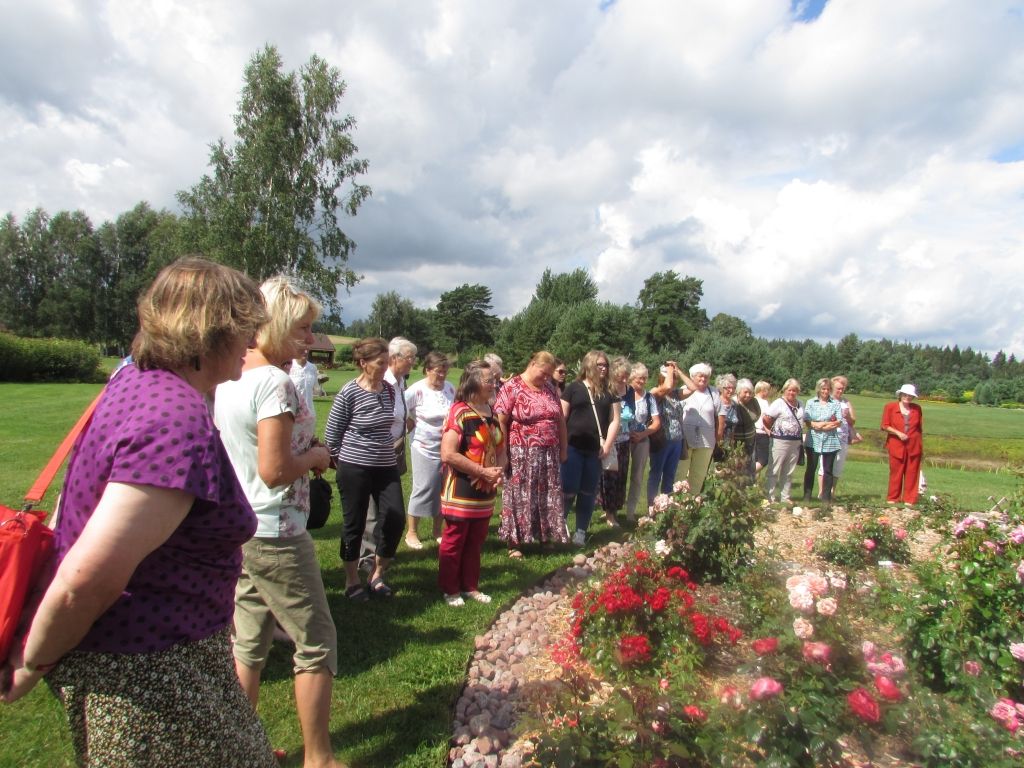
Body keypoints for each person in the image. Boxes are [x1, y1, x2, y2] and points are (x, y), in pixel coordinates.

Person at [0, 257, 278, 767]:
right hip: (149, 674)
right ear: (210, 331)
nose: (252, 344)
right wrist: (30, 660)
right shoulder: (174, 422)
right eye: (246, 329)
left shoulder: (135, 381)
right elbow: (90, 576)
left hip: (159, 658)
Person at [215, 276, 345, 768]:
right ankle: (319, 757)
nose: (310, 340)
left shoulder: (234, 377)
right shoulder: (274, 381)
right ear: (275, 326)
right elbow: (273, 471)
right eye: (303, 329)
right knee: (316, 639)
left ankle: (238, 749)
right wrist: (314, 456)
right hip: (277, 531)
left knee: (248, 643)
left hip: (243, 528)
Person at [325, 337, 406, 599]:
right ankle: (352, 581)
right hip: (354, 467)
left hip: (385, 465)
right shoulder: (349, 392)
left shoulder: (389, 390)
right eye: (380, 363)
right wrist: (343, 462)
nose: (385, 368)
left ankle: (377, 574)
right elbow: (331, 435)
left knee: (394, 517)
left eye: (388, 362)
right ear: (363, 363)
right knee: (354, 524)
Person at [438, 361, 506, 606]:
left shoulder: (492, 411)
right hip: (461, 488)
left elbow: (501, 449)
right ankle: (450, 589)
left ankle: (470, 586)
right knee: (456, 539)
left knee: (476, 541)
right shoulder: (459, 411)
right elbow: (448, 454)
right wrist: (481, 471)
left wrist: (499, 471)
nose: (494, 384)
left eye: (494, 380)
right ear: (474, 383)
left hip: (485, 490)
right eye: (489, 380)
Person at [494, 351, 568, 557]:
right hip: (521, 451)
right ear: (533, 364)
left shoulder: (551, 389)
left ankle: (545, 536)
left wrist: (563, 448)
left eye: (549, 375)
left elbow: (560, 419)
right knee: (520, 494)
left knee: (547, 495)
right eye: (543, 373)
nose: (546, 378)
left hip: (549, 453)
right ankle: (515, 541)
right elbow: (500, 420)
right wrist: (504, 453)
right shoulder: (512, 387)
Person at [561, 350, 621, 546]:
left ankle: (581, 531)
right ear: (589, 365)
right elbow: (562, 418)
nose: (604, 368)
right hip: (573, 447)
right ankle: (560, 526)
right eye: (599, 365)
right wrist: (561, 444)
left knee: (588, 491)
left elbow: (615, 421)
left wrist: (608, 444)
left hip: (595, 450)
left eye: (606, 365)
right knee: (568, 488)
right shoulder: (574, 388)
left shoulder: (610, 391)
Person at [403, 351, 454, 549]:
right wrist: (411, 424)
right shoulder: (416, 391)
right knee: (424, 487)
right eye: (438, 371)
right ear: (427, 370)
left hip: (447, 448)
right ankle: (411, 532)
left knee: (443, 488)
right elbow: (401, 411)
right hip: (424, 447)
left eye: (445, 371)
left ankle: (437, 530)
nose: (442, 375)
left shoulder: (450, 389)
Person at [647, 362, 691, 503]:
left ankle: (666, 507)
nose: (674, 381)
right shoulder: (656, 393)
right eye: (672, 378)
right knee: (656, 474)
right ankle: (652, 506)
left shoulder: (676, 394)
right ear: (662, 378)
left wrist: (678, 370)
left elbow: (693, 387)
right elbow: (666, 386)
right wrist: (670, 369)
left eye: (675, 379)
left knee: (670, 475)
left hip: (676, 441)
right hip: (661, 441)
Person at [677, 363, 721, 493]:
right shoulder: (684, 389)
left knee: (699, 475)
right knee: (680, 472)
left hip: (706, 440)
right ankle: (675, 505)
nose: (703, 379)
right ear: (692, 376)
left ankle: (692, 505)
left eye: (706, 377)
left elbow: (719, 415)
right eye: (700, 376)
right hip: (685, 439)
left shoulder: (713, 392)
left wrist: (718, 437)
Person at [624, 363, 660, 520]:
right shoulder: (623, 393)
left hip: (642, 439)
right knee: (618, 474)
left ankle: (630, 511)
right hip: (622, 438)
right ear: (632, 377)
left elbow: (656, 422)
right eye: (640, 378)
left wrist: (643, 434)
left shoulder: (649, 398)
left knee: (637, 476)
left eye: (645, 378)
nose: (643, 381)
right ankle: (612, 508)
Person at [598, 357, 632, 526]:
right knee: (608, 477)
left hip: (625, 440)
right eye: (621, 376)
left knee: (621, 477)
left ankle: (615, 510)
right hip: (610, 441)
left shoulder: (630, 390)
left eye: (627, 375)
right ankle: (609, 513)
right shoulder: (608, 390)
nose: (624, 379)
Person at [801, 377, 844, 504]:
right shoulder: (811, 402)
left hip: (830, 440)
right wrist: (816, 425)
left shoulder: (835, 403)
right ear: (819, 389)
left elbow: (838, 421)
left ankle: (826, 498)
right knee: (811, 468)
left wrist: (822, 425)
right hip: (813, 440)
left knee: (828, 470)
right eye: (823, 389)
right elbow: (807, 420)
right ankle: (807, 497)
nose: (825, 391)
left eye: (828, 389)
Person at [881, 384, 924, 505]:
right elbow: (884, 425)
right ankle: (893, 498)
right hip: (896, 444)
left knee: (912, 472)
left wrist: (920, 447)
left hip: (913, 445)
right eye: (905, 395)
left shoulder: (917, 409)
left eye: (910, 396)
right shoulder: (890, 407)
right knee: (896, 471)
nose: (907, 397)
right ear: (900, 395)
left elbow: (919, 429)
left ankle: (909, 499)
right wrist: (898, 433)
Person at [762, 379, 804, 504]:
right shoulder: (778, 403)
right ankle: (769, 497)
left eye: (795, 390)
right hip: (780, 440)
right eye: (790, 390)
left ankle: (785, 497)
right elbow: (766, 418)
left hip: (795, 441)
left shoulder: (801, 403)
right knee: (774, 470)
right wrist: (771, 431)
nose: (792, 392)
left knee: (789, 471)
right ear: (785, 390)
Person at [818, 375, 857, 498]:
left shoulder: (846, 402)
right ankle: (822, 492)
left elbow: (853, 421)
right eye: (838, 388)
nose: (840, 391)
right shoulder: (826, 400)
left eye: (842, 389)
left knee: (838, 466)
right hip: (828, 436)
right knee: (824, 466)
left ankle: (831, 492)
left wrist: (847, 416)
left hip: (842, 438)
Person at [732, 378, 761, 476]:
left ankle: (747, 487)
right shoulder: (733, 403)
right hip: (735, 441)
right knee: (736, 466)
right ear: (738, 391)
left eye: (750, 392)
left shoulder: (754, 402)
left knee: (749, 466)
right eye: (745, 392)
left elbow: (757, 414)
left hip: (750, 440)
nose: (748, 395)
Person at [289, 349, 321, 415]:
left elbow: (316, 388)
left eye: (307, 349)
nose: (306, 352)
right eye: (303, 349)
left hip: (309, 413)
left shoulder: (312, 367)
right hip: (292, 413)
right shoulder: (289, 366)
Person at [752, 381, 773, 477]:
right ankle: (749, 473)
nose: (768, 392)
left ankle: (755, 483)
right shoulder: (764, 403)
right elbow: (765, 418)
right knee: (764, 460)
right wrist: (768, 431)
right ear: (763, 390)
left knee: (755, 458)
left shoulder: (751, 400)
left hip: (752, 432)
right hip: (762, 433)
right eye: (767, 390)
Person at [715, 373, 738, 447]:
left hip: (730, 443)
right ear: (721, 388)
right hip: (717, 442)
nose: (731, 390)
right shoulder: (716, 403)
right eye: (728, 388)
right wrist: (718, 443)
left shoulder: (734, 404)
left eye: (733, 388)